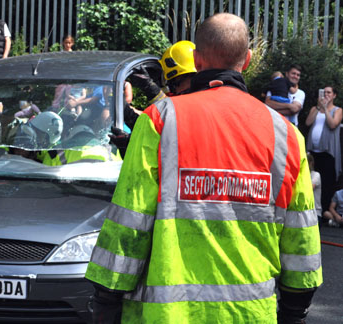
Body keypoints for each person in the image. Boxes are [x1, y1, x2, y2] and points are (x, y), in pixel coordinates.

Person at [85, 13, 321, 324]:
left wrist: (107, 300)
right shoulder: (286, 135)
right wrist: (294, 311)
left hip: (167, 315)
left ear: (196, 59)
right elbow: (301, 235)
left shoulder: (159, 120)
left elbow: (129, 221)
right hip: (251, 315)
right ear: (247, 60)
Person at [305, 85, 342, 222]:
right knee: (311, 180)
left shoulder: (338, 110)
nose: (326, 95)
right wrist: (319, 107)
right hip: (313, 152)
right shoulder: (315, 109)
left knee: (326, 183)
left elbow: (332, 125)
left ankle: (324, 214)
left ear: (334, 96)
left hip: (327, 153)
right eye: (324, 92)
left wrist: (325, 109)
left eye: (328, 93)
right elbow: (308, 122)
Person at [307, 153, 322, 222]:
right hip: (303, 213)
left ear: (311, 163)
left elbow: (309, 188)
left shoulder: (316, 175)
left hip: (314, 213)